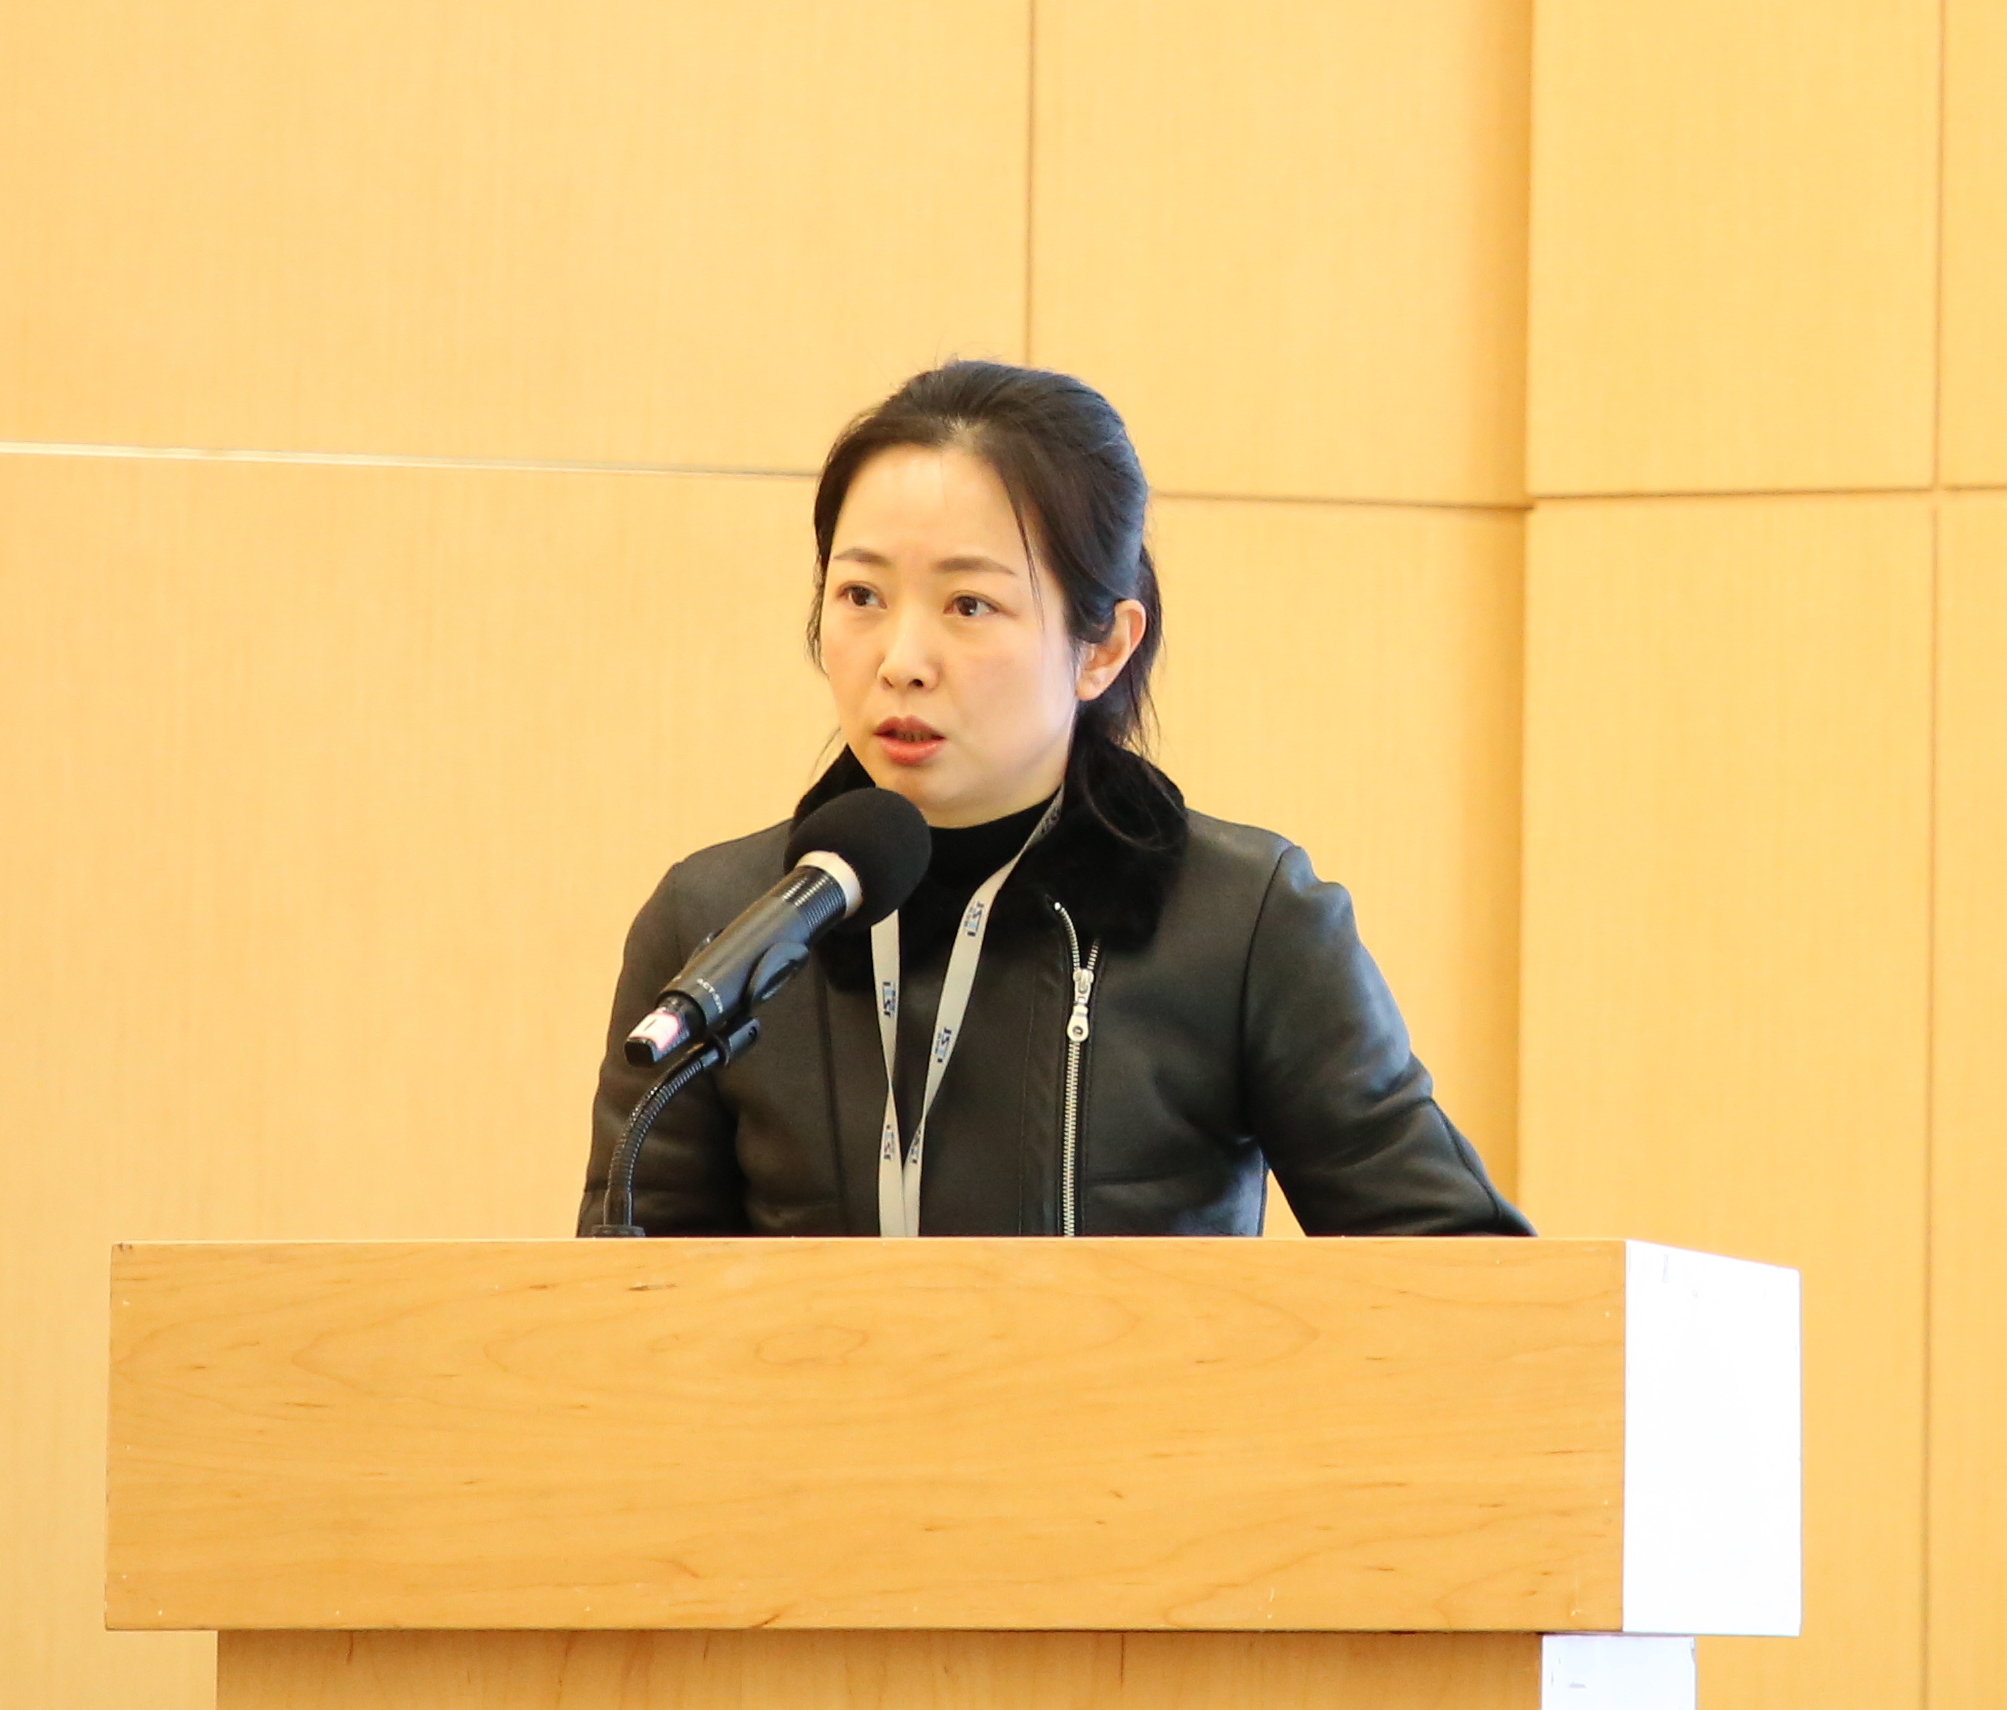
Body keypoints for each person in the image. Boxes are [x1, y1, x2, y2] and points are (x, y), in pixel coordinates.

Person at [580, 361, 1525, 1237]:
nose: (901, 662)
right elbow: (623, 1309)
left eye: (969, 605)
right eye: (862, 595)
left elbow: (1454, 1271)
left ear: (1104, 647)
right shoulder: (717, 926)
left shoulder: (1246, 923)